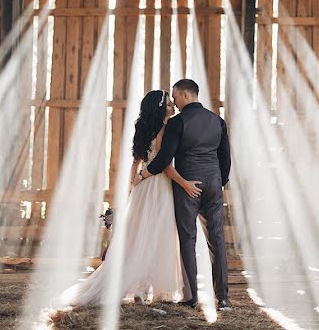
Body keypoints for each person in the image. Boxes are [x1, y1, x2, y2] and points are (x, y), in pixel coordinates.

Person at [60, 90, 203, 306]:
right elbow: (164, 165)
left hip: (142, 187)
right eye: (168, 103)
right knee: (157, 234)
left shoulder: (142, 129)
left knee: (139, 234)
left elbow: (136, 162)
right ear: (160, 108)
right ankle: (149, 287)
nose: (173, 105)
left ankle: (142, 287)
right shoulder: (165, 129)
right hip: (159, 186)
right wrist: (184, 183)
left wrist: (132, 185)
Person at [136, 78, 232, 311]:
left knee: (188, 240)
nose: (175, 102)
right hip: (213, 183)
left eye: (176, 97)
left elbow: (164, 158)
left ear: (186, 95)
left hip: (187, 185)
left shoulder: (177, 123)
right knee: (217, 239)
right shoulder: (217, 121)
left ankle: (193, 297)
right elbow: (225, 157)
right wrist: (220, 181)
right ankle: (224, 298)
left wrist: (143, 174)